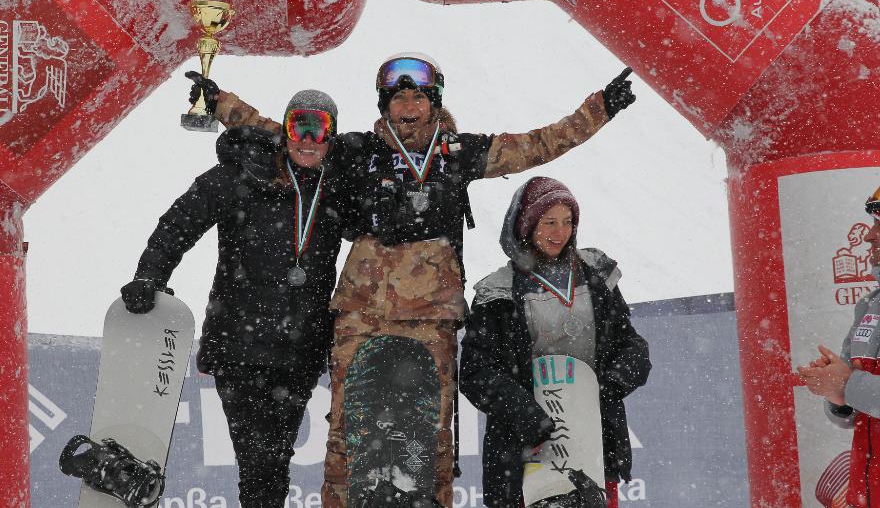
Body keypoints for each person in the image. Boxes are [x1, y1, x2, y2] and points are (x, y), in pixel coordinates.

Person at [191, 52, 637, 507]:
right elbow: (291, 134)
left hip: (432, 316)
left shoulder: (459, 153)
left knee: (432, 434)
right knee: (347, 429)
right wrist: (221, 103)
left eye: (419, 98)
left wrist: (599, 108)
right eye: (399, 98)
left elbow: (538, 144)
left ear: (434, 103)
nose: (409, 107)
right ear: (385, 104)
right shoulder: (358, 150)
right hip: (362, 313)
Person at [119, 90, 353, 508]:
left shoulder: (337, 186)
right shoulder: (242, 174)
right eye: (298, 126)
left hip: (300, 349)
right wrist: (149, 275)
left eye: (319, 130)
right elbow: (178, 223)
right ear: (285, 131)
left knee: (274, 462)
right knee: (258, 462)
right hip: (239, 346)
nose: (307, 139)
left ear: (332, 138)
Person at [459, 177, 651, 508]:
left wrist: (606, 388)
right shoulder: (497, 292)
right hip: (523, 448)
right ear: (526, 224)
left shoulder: (596, 274)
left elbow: (632, 346)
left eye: (567, 221)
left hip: (593, 443)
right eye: (549, 222)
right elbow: (476, 372)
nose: (560, 232)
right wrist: (525, 414)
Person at [799, 185, 880, 508]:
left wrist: (849, 385)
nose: (869, 236)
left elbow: (857, 388)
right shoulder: (870, 305)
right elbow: (855, 412)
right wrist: (839, 396)